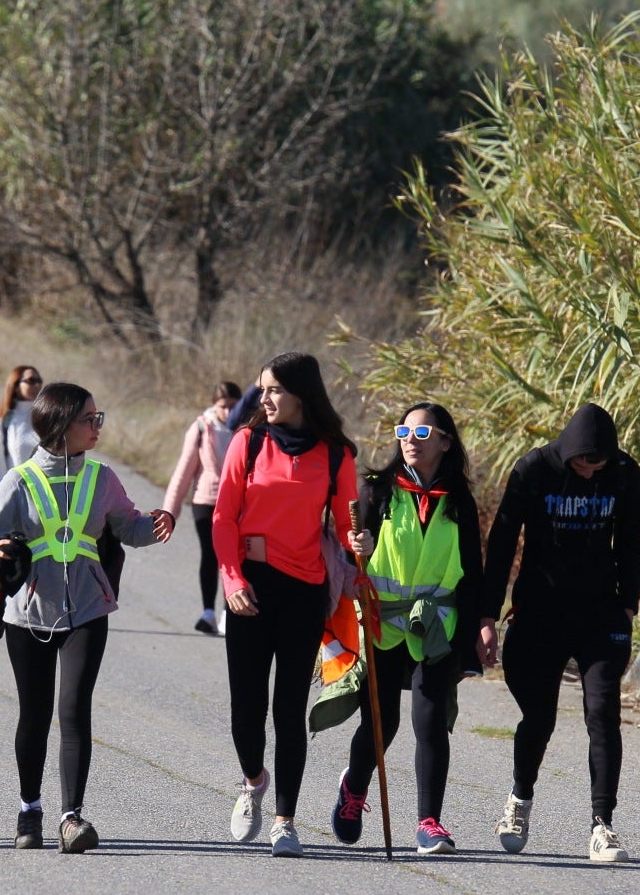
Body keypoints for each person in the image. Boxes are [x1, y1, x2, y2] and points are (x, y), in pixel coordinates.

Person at [0, 383, 173, 853]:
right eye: (90, 419)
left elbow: (130, 526)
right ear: (62, 425)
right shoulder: (20, 480)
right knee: (35, 714)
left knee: (74, 709)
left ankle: (71, 818)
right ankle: (29, 810)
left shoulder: (102, 478)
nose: (97, 427)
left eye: (98, 418)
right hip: (28, 613)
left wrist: (157, 524)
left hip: (87, 610)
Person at [478, 402, 640, 863]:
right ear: (568, 451)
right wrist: (487, 614)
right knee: (539, 718)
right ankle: (519, 800)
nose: (591, 472)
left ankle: (603, 826)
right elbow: (503, 542)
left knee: (602, 714)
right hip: (541, 612)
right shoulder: (533, 469)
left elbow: (632, 539)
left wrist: (628, 603)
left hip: (601, 615)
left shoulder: (625, 473)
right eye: (583, 463)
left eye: (599, 463)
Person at [214, 351, 357, 858]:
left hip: (304, 592)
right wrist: (231, 579)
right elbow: (224, 519)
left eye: (274, 389)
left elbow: (346, 525)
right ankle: (254, 779)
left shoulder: (336, 454)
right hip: (248, 587)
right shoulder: (247, 443)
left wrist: (357, 545)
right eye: (262, 389)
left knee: (288, 709)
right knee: (245, 713)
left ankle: (285, 820)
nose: (264, 398)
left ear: (302, 393)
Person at [329, 403, 484, 855]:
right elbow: (348, 549)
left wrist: (481, 627)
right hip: (381, 623)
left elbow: (473, 572)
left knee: (431, 720)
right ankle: (354, 789)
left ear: (444, 442)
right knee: (382, 723)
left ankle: (429, 822)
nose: (409, 439)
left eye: (421, 432)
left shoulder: (459, 502)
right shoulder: (377, 491)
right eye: (403, 431)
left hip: (435, 626)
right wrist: (356, 544)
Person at [162, 380, 241, 635]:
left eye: (233, 406)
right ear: (213, 404)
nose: (228, 412)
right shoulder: (201, 428)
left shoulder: (246, 430)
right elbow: (183, 473)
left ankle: (229, 612)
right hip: (205, 501)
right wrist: (169, 514)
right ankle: (208, 612)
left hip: (236, 504)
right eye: (223, 406)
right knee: (211, 553)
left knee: (233, 556)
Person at [0, 366, 43, 503]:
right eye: (31, 380)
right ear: (16, 386)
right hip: (19, 499)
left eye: (39, 381)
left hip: (48, 498)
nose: (37, 385)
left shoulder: (48, 416)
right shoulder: (5, 421)